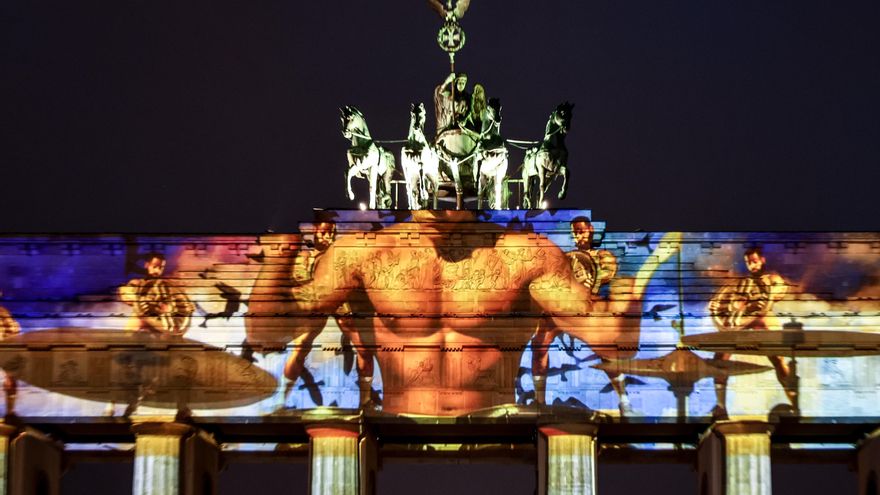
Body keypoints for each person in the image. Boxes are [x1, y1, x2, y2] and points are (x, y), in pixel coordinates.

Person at [246, 210, 665, 416]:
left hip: (499, 416)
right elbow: (267, 334)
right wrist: (275, 263)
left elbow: (613, 341)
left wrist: (630, 296)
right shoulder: (363, 253)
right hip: (393, 418)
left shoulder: (526, 255)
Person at [245, 218, 376, 409]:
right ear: (315, 232)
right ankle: (282, 399)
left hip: (341, 305)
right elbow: (289, 286)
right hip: (314, 307)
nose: (327, 236)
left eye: (331, 232)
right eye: (323, 232)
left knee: (364, 350)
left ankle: (365, 401)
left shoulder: (340, 256)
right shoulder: (303, 258)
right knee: (300, 350)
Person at [530, 217, 640, 416]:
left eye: (581, 230)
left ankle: (624, 401)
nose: (577, 235)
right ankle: (539, 402)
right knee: (538, 346)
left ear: (590, 230)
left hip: (584, 310)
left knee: (605, 352)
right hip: (558, 308)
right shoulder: (565, 256)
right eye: (574, 232)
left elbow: (607, 277)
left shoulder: (601, 255)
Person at [708, 247, 794, 418]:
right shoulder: (740, 283)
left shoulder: (773, 279)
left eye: (754, 261)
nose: (752, 266)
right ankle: (721, 407)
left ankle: (794, 402)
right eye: (748, 263)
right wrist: (735, 305)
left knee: (778, 359)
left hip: (762, 321)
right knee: (719, 360)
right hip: (739, 324)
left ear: (762, 260)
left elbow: (776, 292)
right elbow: (719, 304)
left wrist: (751, 301)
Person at [119, 253, 195, 335]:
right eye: (154, 267)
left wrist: (169, 309)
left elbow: (182, 307)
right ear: (147, 265)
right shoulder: (137, 283)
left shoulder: (167, 286)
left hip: (163, 325)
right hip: (147, 320)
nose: (157, 271)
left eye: (160, 268)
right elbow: (127, 296)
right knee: (135, 321)